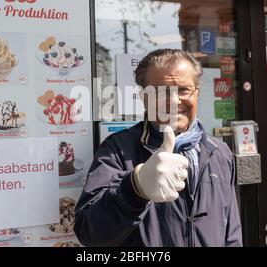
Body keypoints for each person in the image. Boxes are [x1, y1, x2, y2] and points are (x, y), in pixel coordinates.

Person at [74, 49, 242, 247]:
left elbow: (232, 234)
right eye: (161, 92)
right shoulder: (117, 150)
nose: (173, 101)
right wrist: (135, 188)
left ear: (197, 92)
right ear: (144, 97)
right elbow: (90, 234)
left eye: (183, 90)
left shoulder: (220, 152)